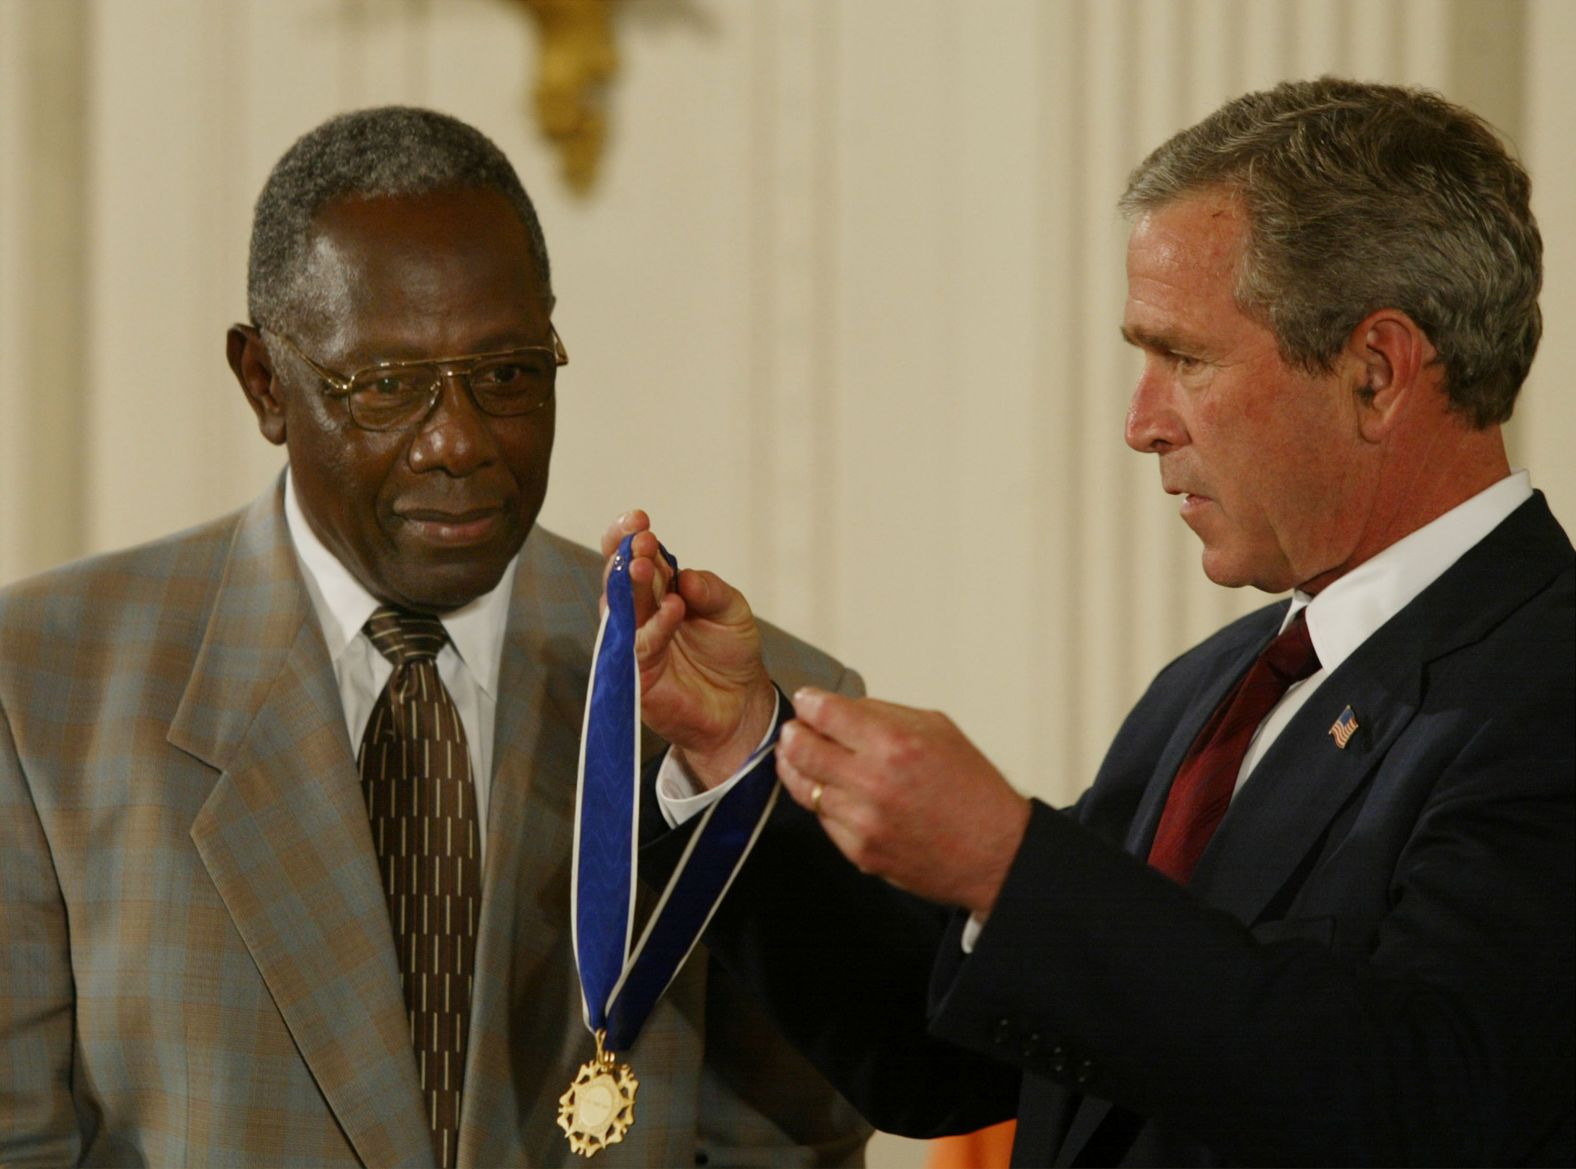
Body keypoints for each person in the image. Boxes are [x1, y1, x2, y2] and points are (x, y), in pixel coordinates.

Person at [613, 78, 1575, 1166]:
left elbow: (1424, 1099)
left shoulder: (1545, 685)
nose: (1140, 422)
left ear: (1376, 369)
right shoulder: (1216, 686)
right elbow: (948, 1056)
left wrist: (1013, 863)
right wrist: (742, 753)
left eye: (1186, 357)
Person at [0, 106, 871, 1167]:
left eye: (505, 373)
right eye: (386, 388)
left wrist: (742, 770)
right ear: (264, 383)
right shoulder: (41, 687)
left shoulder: (745, 710)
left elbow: (793, 1141)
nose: (458, 440)